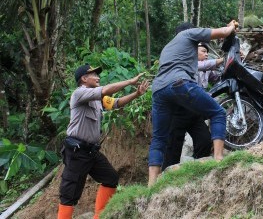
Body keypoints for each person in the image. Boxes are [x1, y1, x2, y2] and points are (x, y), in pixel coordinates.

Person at [148, 20, 237, 186]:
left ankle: (151, 185)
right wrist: (231, 26)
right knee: (218, 112)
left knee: (159, 138)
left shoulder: (168, 47)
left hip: (159, 90)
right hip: (179, 85)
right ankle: (218, 159)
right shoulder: (188, 34)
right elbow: (223, 32)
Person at [57, 64, 149, 219]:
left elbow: (116, 103)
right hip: (77, 152)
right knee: (70, 193)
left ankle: (99, 217)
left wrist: (136, 94)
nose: (98, 77)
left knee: (110, 178)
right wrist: (130, 81)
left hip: (91, 151)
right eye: (94, 75)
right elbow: (106, 89)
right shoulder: (79, 93)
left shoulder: (98, 99)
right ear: (84, 79)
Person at [161, 42, 223, 171]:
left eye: (207, 52)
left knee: (204, 140)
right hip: (178, 111)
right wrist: (222, 60)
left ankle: (199, 170)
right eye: (203, 51)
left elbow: (218, 78)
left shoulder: (207, 70)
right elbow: (202, 65)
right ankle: (167, 177)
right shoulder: (189, 64)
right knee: (173, 146)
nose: (206, 54)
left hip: (194, 112)